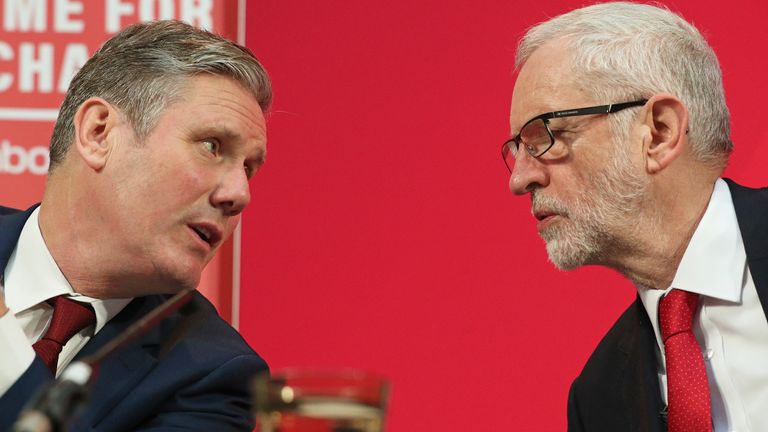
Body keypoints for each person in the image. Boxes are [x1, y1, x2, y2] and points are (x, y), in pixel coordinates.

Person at [502, 2, 768, 431]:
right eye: (516, 149)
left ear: (659, 132)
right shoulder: (598, 398)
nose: (519, 179)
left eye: (544, 136)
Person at [0, 20, 271, 431]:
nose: (240, 194)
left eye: (249, 168)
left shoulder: (216, 376)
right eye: (213, 146)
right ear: (98, 133)